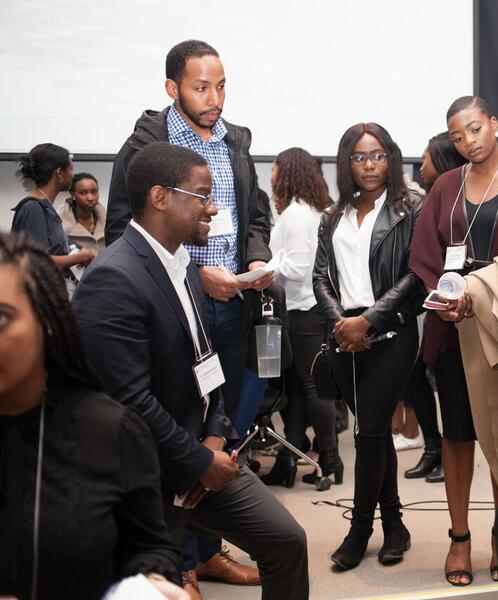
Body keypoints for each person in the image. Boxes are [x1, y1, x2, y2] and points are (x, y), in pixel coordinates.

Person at [72, 142, 309, 600]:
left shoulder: (183, 265)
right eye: (202, 196)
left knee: (285, 541)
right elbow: (128, 399)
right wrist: (198, 461)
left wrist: (216, 438)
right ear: (160, 197)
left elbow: (208, 365)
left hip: (203, 451)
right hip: (147, 472)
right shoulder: (114, 278)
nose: (214, 208)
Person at [104, 39, 273, 590]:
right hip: (178, 303)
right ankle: (170, 563)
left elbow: (254, 216)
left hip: (232, 305)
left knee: (215, 430)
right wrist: (197, 276)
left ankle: (206, 552)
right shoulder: (146, 147)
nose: (215, 98)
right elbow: (120, 237)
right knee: (172, 431)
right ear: (173, 88)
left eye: (222, 85)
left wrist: (253, 257)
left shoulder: (236, 143)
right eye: (202, 86)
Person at [0, 232, 183, 600]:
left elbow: (150, 549)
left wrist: (152, 585)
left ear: (46, 321)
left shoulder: (110, 431)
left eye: (2, 318)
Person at [409, 96, 498, 586]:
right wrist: (446, 299)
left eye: (474, 129)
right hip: (453, 328)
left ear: (494, 124)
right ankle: (459, 538)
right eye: (457, 136)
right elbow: (425, 253)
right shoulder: (446, 186)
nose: (468, 141)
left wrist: (481, 295)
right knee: (459, 434)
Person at [313, 122, 424, 571]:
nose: (370, 165)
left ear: (391, 158)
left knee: (367, 436)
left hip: (390, 331)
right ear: (347, 163)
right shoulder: (332, 214)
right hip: (345, 336)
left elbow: (417, 273)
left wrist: (368, 320)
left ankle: (360, 531)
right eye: (360, 157)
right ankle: (395, 526)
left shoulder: (410, 208)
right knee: (374, 435)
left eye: (377, 155)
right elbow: (320, 275)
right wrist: (341, 322)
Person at [261, 147, 342, 489]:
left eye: (275, 167)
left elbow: (298, 268)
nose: (271, 173)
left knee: (312, 388)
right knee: (297, 389)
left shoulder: (295, 215)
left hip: (303, 309)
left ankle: (330, 459)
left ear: (287, 171)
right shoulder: (311, 210)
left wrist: (261, 271)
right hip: (303, 309)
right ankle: (288, 460)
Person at [404, 131, 468, 483]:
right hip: (425, 304)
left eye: (426, 158)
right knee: (418, 376)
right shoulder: (424, 200)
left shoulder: (456, 200)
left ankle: (446, 451)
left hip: (453, 302)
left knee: (448, 385)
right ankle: (433, 447)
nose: (421, 165)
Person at [11, 144, 95, 276]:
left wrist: (79, 250)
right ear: (59, 173)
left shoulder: (45, 207)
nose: (73, 175)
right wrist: (78, 258)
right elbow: (35, 261)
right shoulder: (33, 209)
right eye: (71, 169)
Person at [59, 173, 106, 253]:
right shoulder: (60, 224)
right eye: (83, 193)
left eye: (94, 192)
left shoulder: (108, 221)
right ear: (73, 194)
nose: (90, 198)